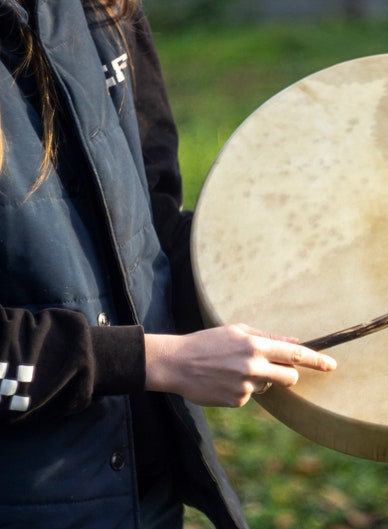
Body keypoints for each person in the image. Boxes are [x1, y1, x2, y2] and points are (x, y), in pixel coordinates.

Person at [0, 1, 337, 528]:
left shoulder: (103, 9)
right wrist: (154, 360)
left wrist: (314, 260)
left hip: (140, 489)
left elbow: (150, 229)